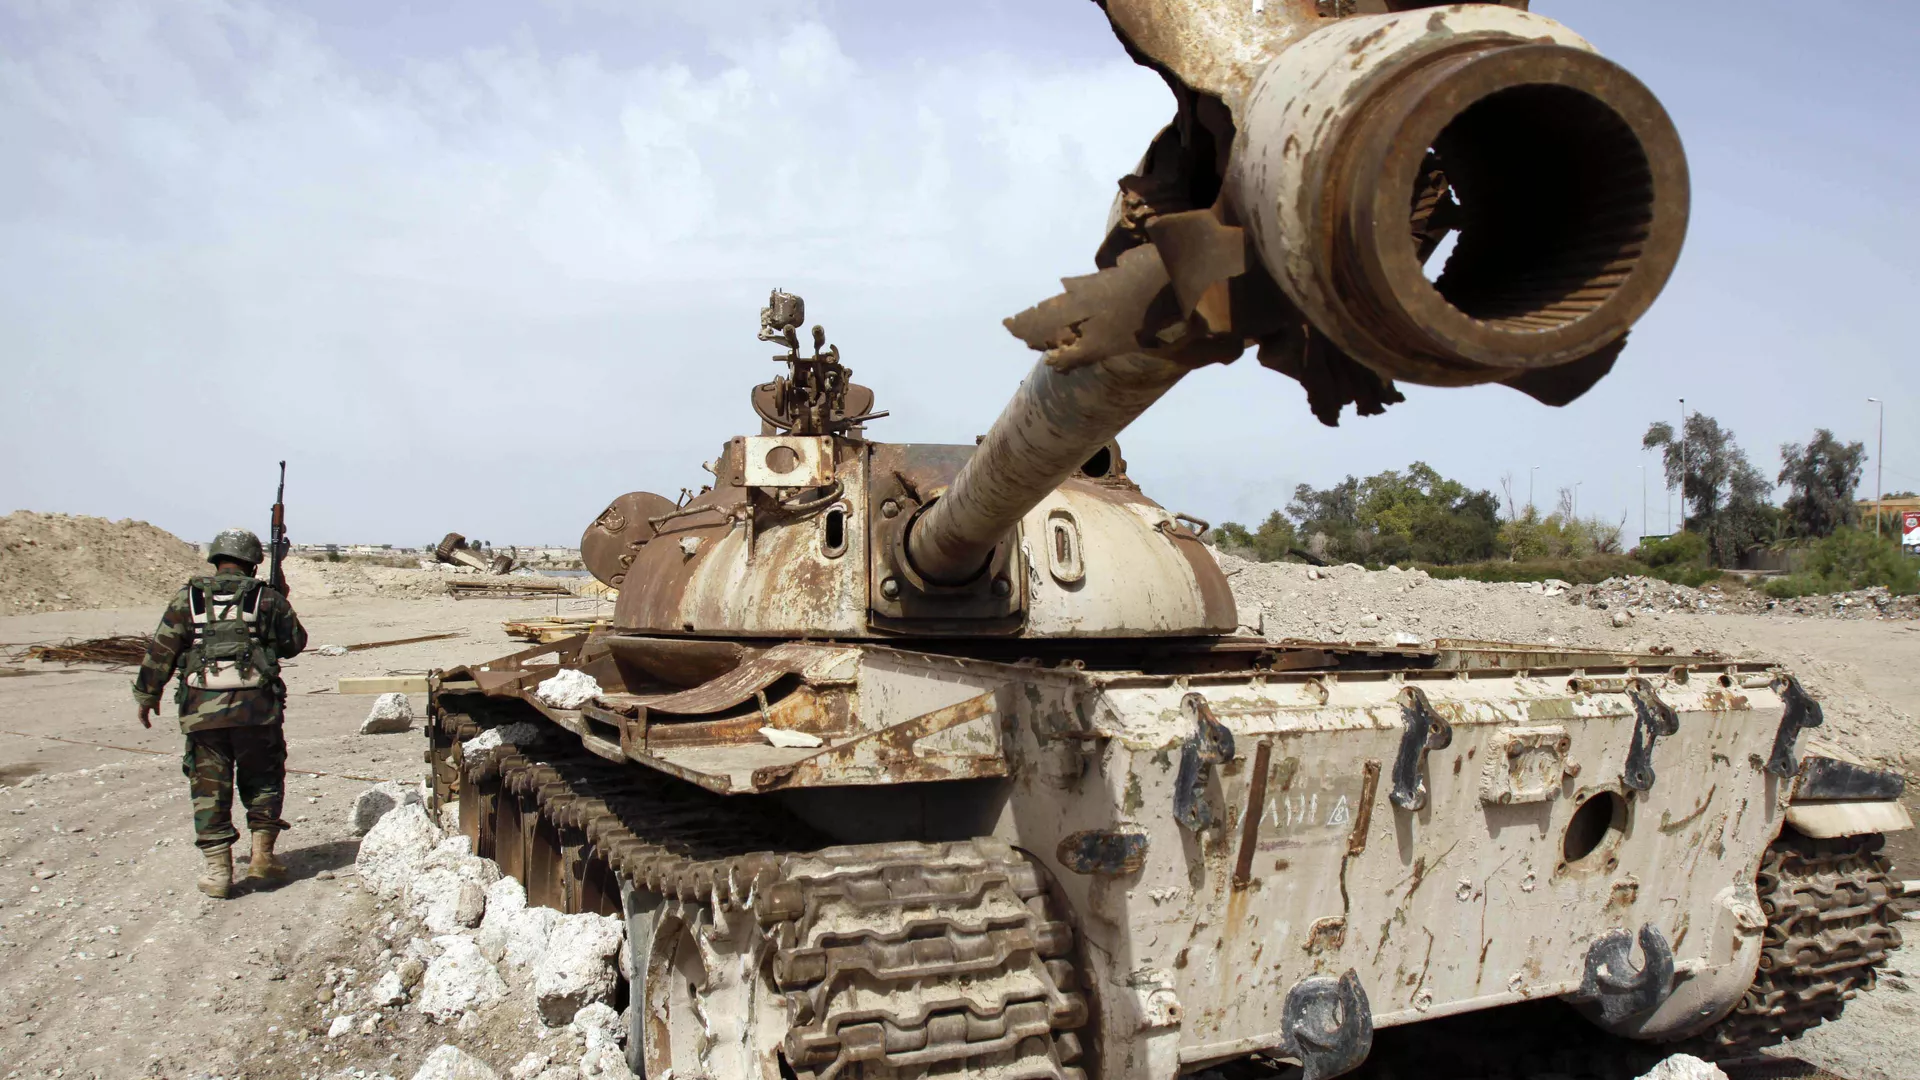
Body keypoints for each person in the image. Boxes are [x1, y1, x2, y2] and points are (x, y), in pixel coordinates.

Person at [132, 528, 307, 898]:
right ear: (253, 561)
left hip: (202, 713)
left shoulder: (188, 599)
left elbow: (161, 650)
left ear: (216, 559)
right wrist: (278, 602)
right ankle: (263, 858)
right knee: (263, 780)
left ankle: (217, 873)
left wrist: (147, 695)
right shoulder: (265, 598)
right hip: (256, 712)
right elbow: (295, 643)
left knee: (209, 788)